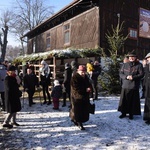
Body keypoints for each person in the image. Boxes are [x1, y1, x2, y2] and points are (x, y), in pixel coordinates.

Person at [118, 50, 144, 120]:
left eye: (133, 57)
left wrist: (133, 77)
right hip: (125, 85)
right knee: (124, 100)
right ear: (128, 58)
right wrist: (126, 77)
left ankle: (131, 114)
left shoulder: (139, 65)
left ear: (135, 57)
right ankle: (123, 113)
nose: (131, 58)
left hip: (134, 85)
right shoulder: (124, 65)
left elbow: (141, 74)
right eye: (130, 57)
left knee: (132, 101)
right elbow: (121, 74)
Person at [69, 65, 92, 130]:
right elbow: (75, 88)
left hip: (85, 96)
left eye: (84, 71)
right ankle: (79, 123)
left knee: (83, 110)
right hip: (77, 97)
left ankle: (75, 119)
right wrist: (85, 89)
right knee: (78, 110)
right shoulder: (75, 78)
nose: (83, 73)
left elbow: (89, 84)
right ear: (78, 71)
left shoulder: (86, 77)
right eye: (82, 71)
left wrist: (89, 89)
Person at [143, 53, 150, 124]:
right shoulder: (147, 66)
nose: (147, 59)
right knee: (147, 101)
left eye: (148, 58)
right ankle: (147, 117)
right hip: (147, 86)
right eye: (147, 58)